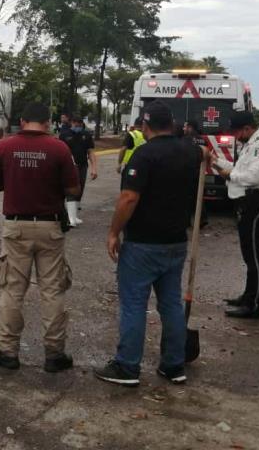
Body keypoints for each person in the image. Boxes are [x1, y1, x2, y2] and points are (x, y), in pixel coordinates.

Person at [95, 101, 204, 387]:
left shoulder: (144, 156)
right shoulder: (191, 151)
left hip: (143, 244)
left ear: (145, 126)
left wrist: (113, 232)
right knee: (170, 305)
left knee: (133, 305)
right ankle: (173, 365)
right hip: (176, 242)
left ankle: (127, 367)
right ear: (172, 124)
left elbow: (129, 198)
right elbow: (208, 156)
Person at [0, 102, 81, 373]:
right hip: (50, 228)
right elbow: (73, 187)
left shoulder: (4, 146)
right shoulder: (60, 148)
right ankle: (54, 354)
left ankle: (7, 351)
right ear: (48, 123)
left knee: (12, 289)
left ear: (22, 121)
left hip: (16, 228)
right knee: (52, 290)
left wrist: (14, 179)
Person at [211, 111, 259, 319]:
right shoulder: (249, 143)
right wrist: (216, 161)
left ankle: (254, 305)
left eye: (237, 131)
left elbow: (252, 177)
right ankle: (248, 296)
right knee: (249, 254)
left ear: (247, 128)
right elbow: (238, 169)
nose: (235, 135)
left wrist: (228, 174)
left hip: (257, 204)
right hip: (247, 203)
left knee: (255, 256)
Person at [62, 116, 98, 226]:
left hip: (82, 166)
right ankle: (70, 218)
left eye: (79, 124)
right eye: (75, 123)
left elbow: (90, 152)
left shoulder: (86, 135)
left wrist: (94, 168)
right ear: (71, 123)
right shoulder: (65, 135)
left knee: (80, 189)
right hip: (69, 167)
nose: (77, 125)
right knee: (71, 190)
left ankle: (74, 216)